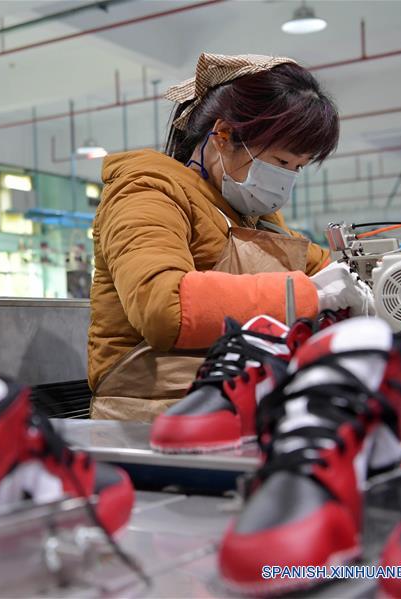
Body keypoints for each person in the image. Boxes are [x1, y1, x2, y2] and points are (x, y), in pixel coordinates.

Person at [88, 53, 372, 421]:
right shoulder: (148, 192)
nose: (287, 178)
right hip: (154, 415)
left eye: (298, 167)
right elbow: (164, 308)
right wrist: (310, 295)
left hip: (240, 404)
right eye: (282, 162)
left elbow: (328, 268)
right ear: (223, 136)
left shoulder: (259, 219)